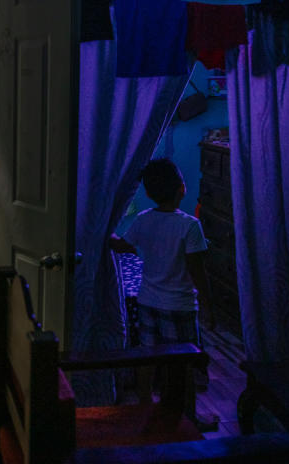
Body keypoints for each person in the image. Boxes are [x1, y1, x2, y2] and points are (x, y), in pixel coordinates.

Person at [109, 158, 217, 429]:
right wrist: (208, 305)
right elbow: (197, 271)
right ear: (182, 188)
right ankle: (189, 415)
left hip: (147, 301)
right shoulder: (190, 226)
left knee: (148, 357)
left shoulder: (144, 220)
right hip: (179, 306)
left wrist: (100, 233)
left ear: (148, 193)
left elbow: (123, 246)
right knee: (184, 363)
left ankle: (145, 406)